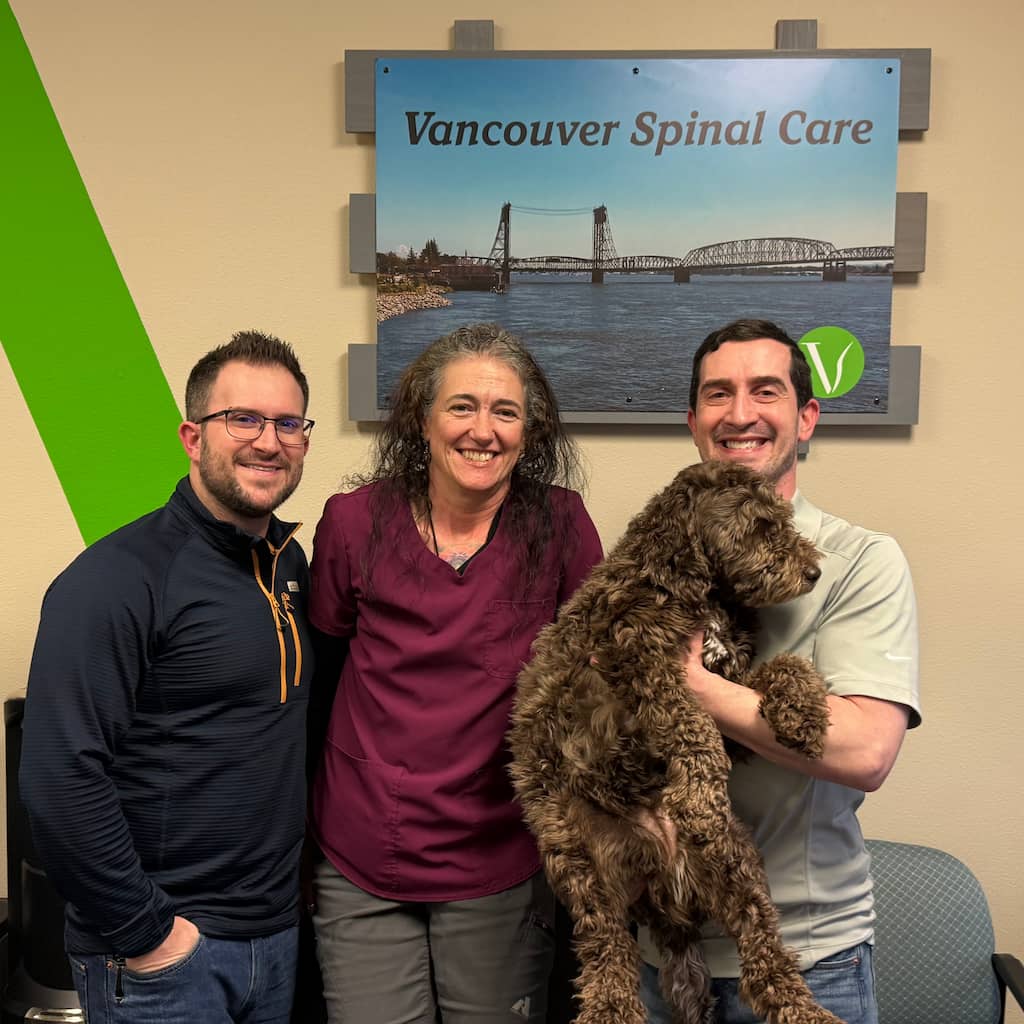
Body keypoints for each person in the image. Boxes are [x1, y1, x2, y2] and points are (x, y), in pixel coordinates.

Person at [305, 323, 603, 1024]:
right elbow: (321, 678)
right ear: (423, 419)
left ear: (530, 433)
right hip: (361, 853)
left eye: (506, 411)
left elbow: (598, 681)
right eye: (462, 406)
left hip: (497, 855)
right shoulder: (352, 522)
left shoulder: (560, 526)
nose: (483, 430)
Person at [20, 330, 315, 1024]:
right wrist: (149, 933)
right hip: (166, 954)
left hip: (275, 940)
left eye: (287, 423)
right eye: (241, 419)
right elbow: (57, 780)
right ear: (192, 436)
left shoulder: (288, 569)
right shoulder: (117, 579)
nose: (267, 441)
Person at [637, 319, 920, 1024]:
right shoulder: (646, 568)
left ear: (806, 417)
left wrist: (694, 685)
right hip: (659, 954)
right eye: (717, 395)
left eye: (766, 391)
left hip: (806, 961)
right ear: (694, 422)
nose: (740, 414)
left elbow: (866, 750)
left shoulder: (861, 562)